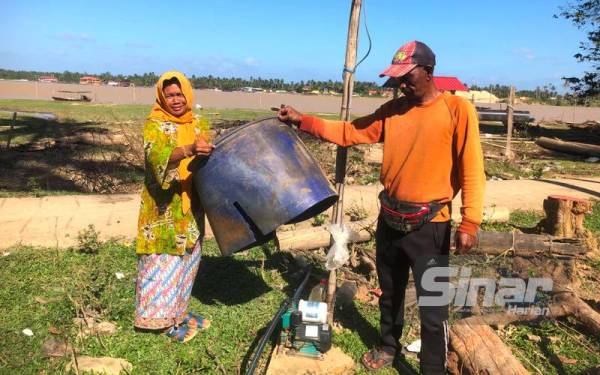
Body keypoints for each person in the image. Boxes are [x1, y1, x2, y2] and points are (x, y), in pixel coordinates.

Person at [277, 41, 485, 374]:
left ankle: (433, 366)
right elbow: (350, 132)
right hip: (390, 218)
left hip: (431, 223)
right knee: (390, 292)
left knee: (433, 305)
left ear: (429, 72)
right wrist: (304, 121)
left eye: (407, 76)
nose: (401, 84)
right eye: (398, 78)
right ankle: (389, 345)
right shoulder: (392, 111)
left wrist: (470, 222)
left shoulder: (458, 111)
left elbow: (472, 169)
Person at [134, 71, 214, 342]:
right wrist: (190, 149)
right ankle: (158, 321)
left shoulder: (198, 122)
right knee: (163, 262)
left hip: (192, 205)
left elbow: (209, 155)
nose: (176, 100)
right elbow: (156, 157)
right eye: (169, 95)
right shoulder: (155, 124)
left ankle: (179, 313)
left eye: (179, 94)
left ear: (188, 94)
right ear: (161, 97)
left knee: (188, 259)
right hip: (163, 208)